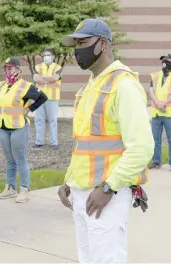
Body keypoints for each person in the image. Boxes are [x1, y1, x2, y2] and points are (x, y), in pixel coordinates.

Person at [57, 18, 154, 263]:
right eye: (75, 44)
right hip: (82, 193)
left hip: (106, 194)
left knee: (106, 259)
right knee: (88, 257)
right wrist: (70, 180)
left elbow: (142, 148)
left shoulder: (123, 85)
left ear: (102, 43)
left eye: (83, 42)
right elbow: (84, 144)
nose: (78, 50)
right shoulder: (88, 88)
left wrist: (109, 188)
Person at [0, 57, 48, 203]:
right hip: (4, 126)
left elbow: (42, 97)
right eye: (5, 68)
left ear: (18, 70)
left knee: (20, 159)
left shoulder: (25, 85)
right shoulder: (1, 85)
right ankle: (10, 188)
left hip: (18, 127)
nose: (7, 71)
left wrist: (29, 109)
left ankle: (24, 189)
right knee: (9, 159)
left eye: (10, 68)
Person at [148, 53, 171, 172]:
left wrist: (163, 103)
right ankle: (156, 161)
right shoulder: (155, 75)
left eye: (166, 60)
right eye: (163, 60)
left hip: (169, 113)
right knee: (155, 139)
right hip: (156, 113)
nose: (164, 62)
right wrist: (157, 102)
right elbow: (151, 90)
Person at [33, 48, 63, 149]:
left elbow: (55, 78)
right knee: (38, 120)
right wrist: (49, 79)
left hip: (52, 98)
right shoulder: (37, 67)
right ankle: (39, 142)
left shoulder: (58, 67)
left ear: (53, 56)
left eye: (48, 55)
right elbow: (36, 79)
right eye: (45, 55)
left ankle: (54, 143)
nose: (46, 57)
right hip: (39, 97)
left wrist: (43, 78)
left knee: (52, 120)